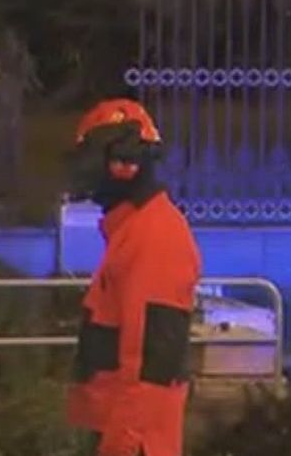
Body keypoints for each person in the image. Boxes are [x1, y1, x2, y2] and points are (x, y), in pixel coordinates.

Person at [64, 99, 201, 456]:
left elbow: (152, 365)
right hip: (118, 430)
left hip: (133, 440)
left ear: (123, 163)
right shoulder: (131, 231)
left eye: (89, 159)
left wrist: (121, 444)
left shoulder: (154, 236)